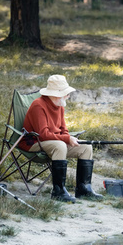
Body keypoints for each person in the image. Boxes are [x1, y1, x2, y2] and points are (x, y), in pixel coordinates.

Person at [21, 74, 102, 203]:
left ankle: (83, 189)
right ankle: (58, 191)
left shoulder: (60, 106)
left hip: (54, 142)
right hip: (34, 142)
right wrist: (66, 139)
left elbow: (64, 130)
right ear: (55, 94)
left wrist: (69, 137)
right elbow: (43, 134)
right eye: (66, 93)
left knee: (86, 147)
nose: (68, 96)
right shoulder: (38, 105)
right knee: (60, 145)